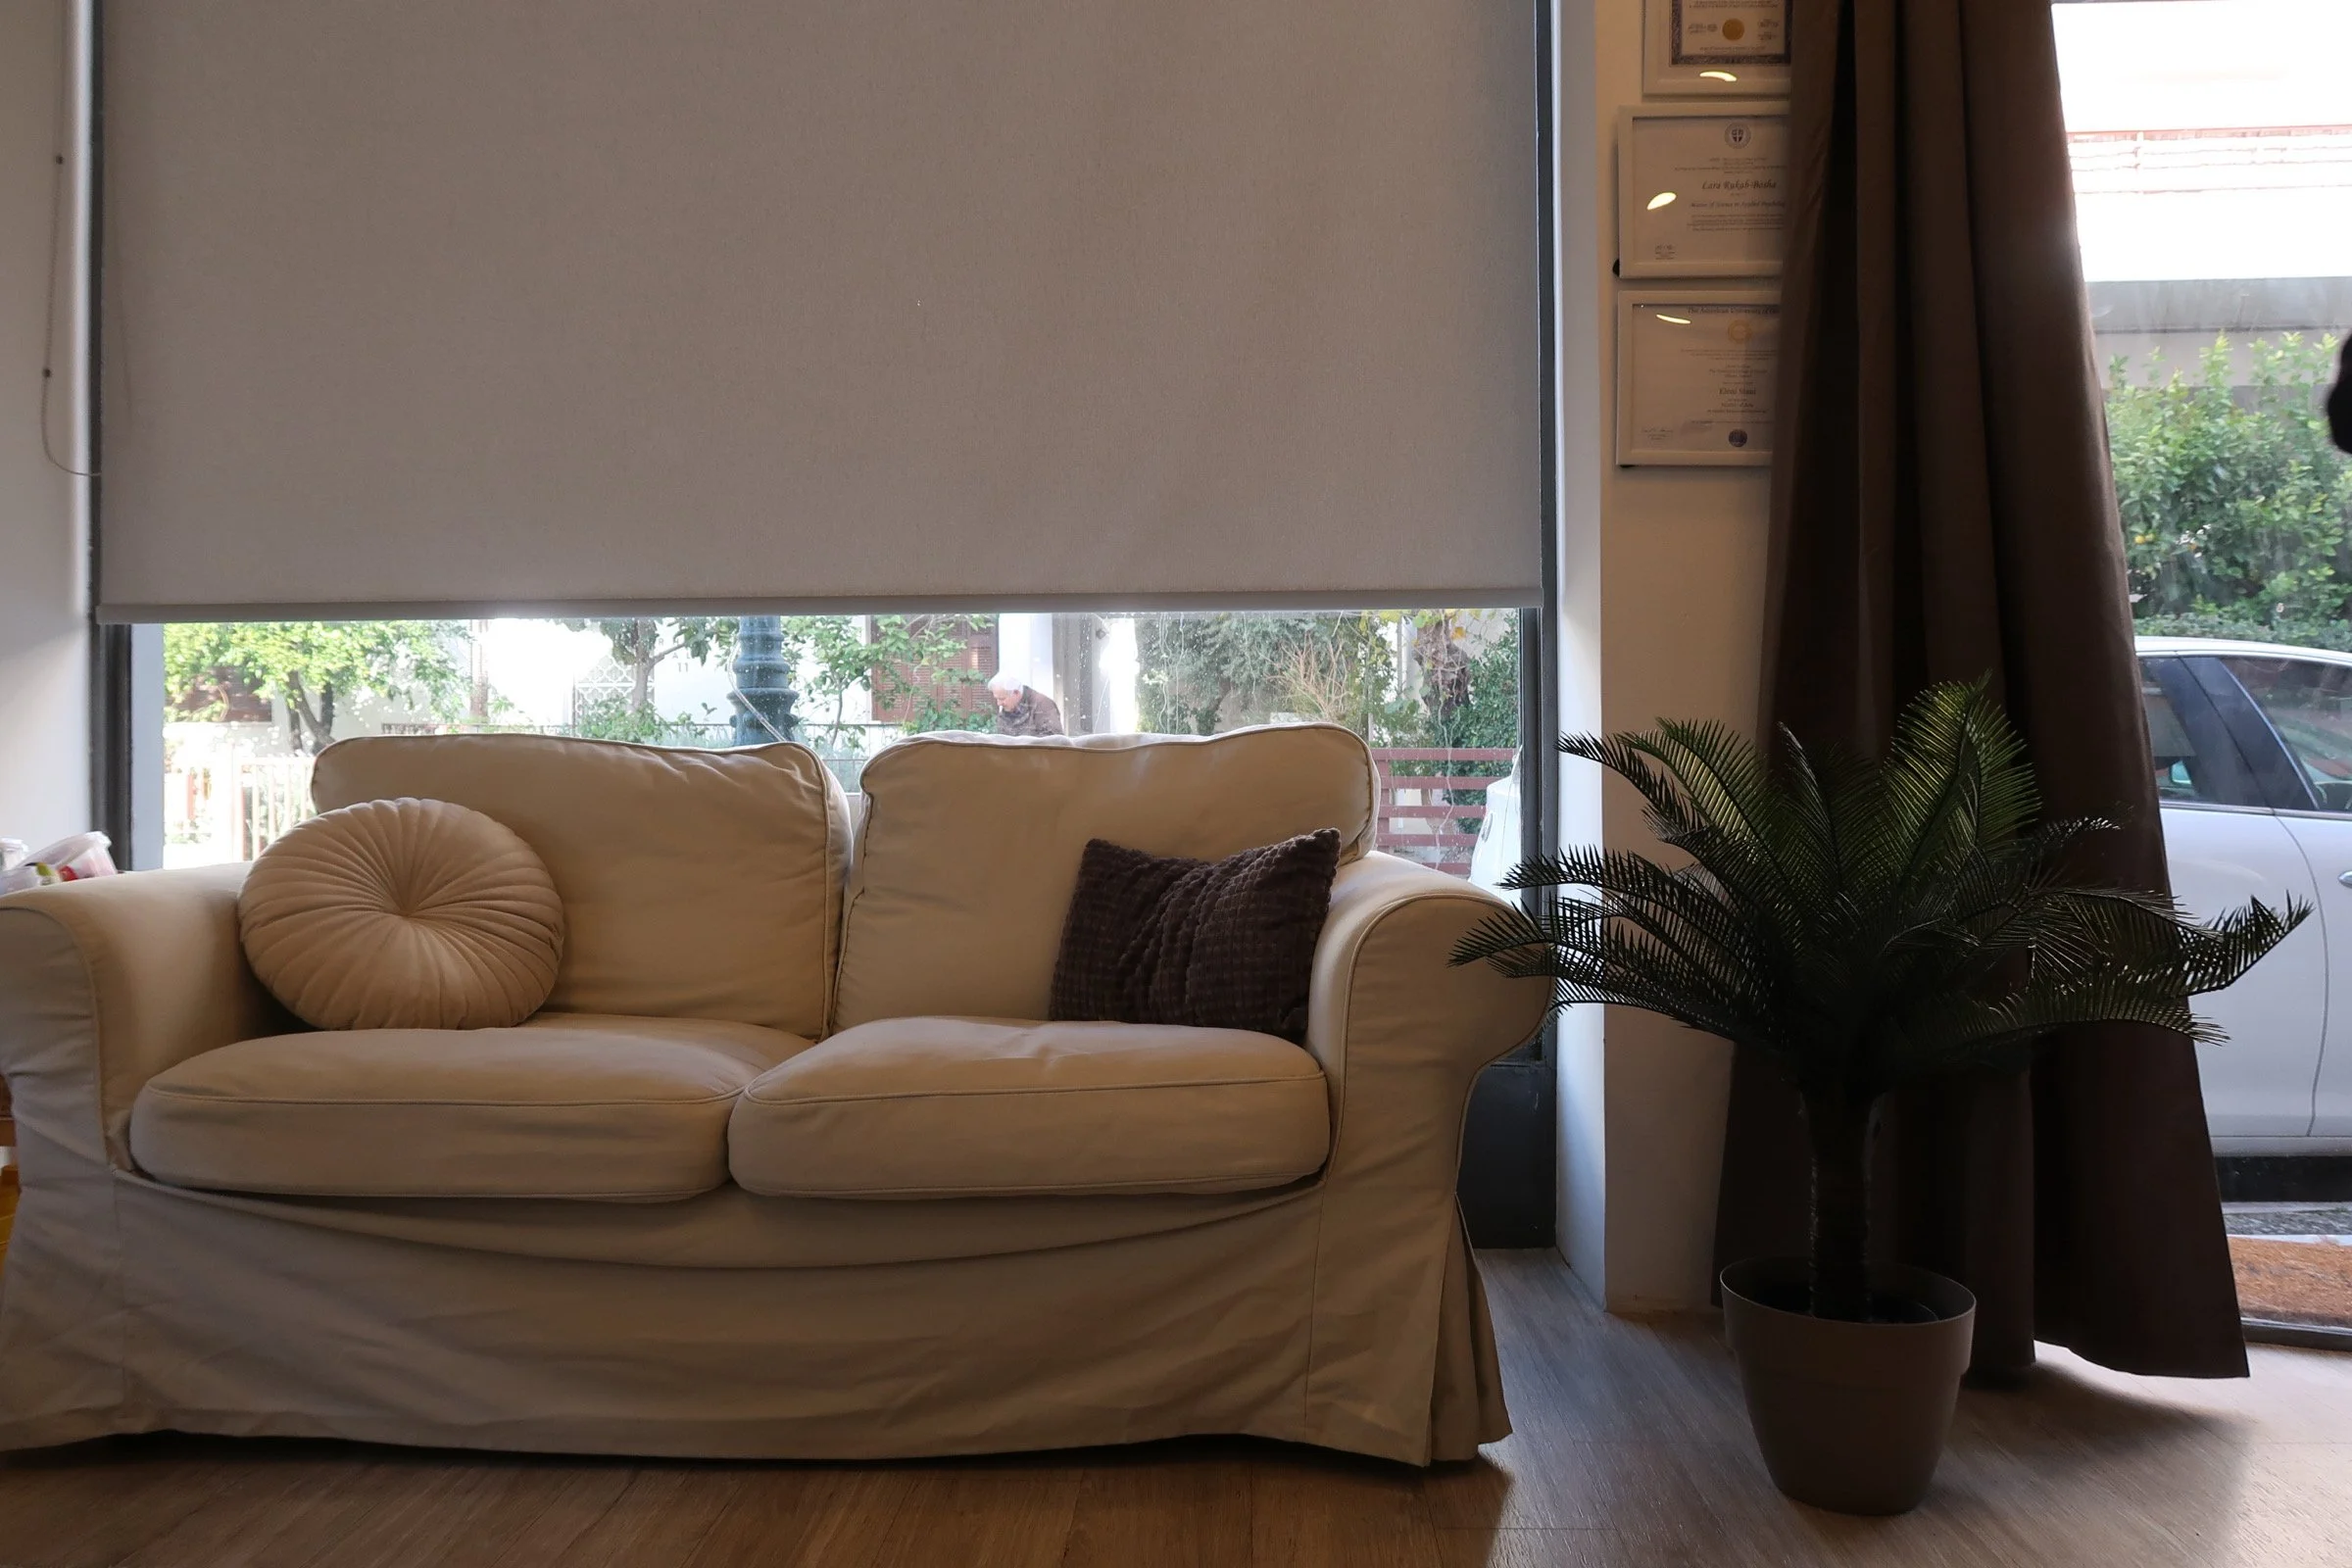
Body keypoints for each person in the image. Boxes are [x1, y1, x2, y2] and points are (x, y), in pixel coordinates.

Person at [988, 671, 1064, 737]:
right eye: (997, 699)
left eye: (1002, 699)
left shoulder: (1042, 705)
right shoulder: (1007, 710)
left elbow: (1054, 740)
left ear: (1016, 693)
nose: (999, 703)